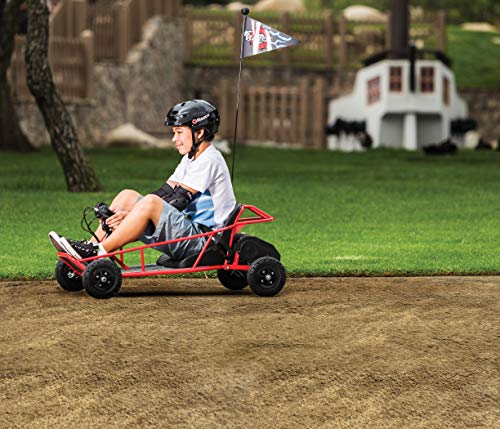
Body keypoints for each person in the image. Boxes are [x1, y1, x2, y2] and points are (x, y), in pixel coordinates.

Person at [49, 99, 236, 261]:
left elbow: (178, 200)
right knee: (127, 196)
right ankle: (90, 247)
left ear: (200, 132)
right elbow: (166, 191)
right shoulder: (190, 158)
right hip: (189, 232)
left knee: (150, 203)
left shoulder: (209, 160)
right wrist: (129, 210)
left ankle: (98, 252)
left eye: (179, 132)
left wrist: (130, 216)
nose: (174, 139)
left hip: (205, 241)